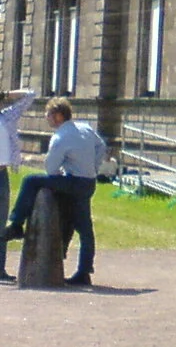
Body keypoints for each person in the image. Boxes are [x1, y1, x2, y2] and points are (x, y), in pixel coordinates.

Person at [4, 97, 103, 286]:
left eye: (48, 115)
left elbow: (50, 169)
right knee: (84, 228)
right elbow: (101, 147)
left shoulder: (59, 137)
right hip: (88, 183)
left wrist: (63, 171)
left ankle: (16, 222)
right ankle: (84, 271)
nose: (46, 118)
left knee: (31, 180)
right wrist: (94, 167)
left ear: (57, 116)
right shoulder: (85, 128)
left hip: (73, 181)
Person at [0, 87, 37, 283]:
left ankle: (0, 269)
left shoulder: (7, 117)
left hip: (1, 174)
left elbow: (31, 95)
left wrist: (6, 94)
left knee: (1, 223)